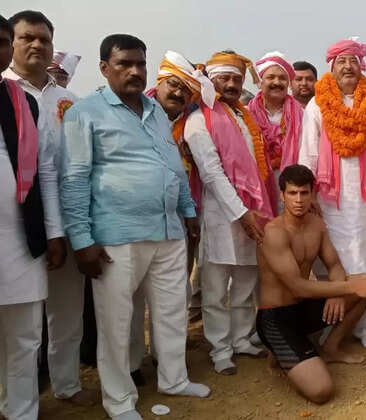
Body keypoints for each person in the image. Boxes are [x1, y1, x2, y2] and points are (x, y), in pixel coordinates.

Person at [59, 34, 210, 420]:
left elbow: (173, 166)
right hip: (116, 236)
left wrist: (188, 210)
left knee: (172, 311)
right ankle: (120, 401)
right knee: (116, 324)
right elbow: (74, 180)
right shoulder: (84, 113)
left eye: (140, 63)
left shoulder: (156, 110)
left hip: (168, 231)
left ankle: (174, 378)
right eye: (124, 63)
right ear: (104, 68)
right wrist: (81, 240)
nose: (134, 71)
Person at [3, 9, 96, 408]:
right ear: (12, 44)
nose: (37, 45)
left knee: (67, 311)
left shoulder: (69, 101)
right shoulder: (7, 91)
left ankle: (67, 384)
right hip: (17, 223)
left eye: (44, 39)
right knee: (18, 322)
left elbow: (81, 164)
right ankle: (15, 400)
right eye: (27, 37)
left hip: (66, 219)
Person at [257, 164, 366, 404]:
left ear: (312, 194)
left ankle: (331, 348)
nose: (299, 200)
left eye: (304, 193)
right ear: (282, 196)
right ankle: (279, 350)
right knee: (322, 391)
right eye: (292, 193)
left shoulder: (316, 225)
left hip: (303, 308)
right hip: (276, 318)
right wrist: (347, 288)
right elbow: (297, 286)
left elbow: (334, 265)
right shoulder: (274, 232)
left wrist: (337, 294)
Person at [129, 50, 215, 385]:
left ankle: (169, 360)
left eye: (185, 89)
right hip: (135, 219)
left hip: (180, 217)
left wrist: (190, 213)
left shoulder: (192, 120)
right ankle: (132, 364)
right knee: (134, 296)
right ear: (159, 82)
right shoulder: (135, 112)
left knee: (175, 292)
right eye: (173, 85)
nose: (178, 93)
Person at [184, 50, 271, 375]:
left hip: (253, 212)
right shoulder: (199, 119)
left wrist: (252, 213)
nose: (232, 84)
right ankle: (221, 349)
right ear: (211, 80)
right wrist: (241, 213)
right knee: (216, 289)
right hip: (220, 215)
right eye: (225, 78)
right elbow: (212, 173)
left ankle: (242, 338)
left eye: (237, 78)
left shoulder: (244, 117)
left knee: (246, 282)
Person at [298, 37, 366, 348]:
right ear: (332, 67)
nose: (348, 66)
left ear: (361, 65)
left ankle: (365, 326)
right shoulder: (317, 104)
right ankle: (334, 327)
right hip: (329, 197)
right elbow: (308, 152)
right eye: (341, 61)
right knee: (335, 259)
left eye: (353, 61)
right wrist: (309, 195)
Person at [0, 13, 65, 420]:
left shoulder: (22, 102)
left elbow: (45, 170)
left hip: (22, 235)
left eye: (2, 41)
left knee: (25, 336)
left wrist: (53, 232)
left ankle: (21, 412)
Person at [248, 51, 303, 188]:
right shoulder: (246, 114)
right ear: (260, 82)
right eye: (270, 77)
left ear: (288, 83)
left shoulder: (302, 115)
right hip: (257, 185)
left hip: (293, 187)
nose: (277, 82)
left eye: (282, 78)